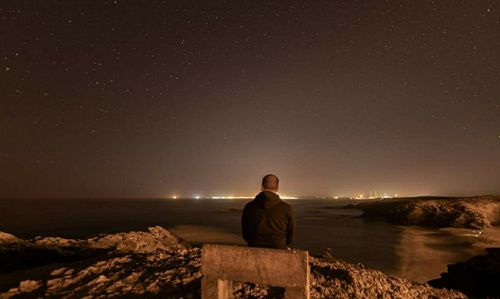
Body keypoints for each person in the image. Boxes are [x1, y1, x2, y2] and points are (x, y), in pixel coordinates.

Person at [241, 174, 296, 249]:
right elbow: (291, 234)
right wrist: (282, 243)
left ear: (262, 187)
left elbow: (245, 233)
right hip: (279, 247)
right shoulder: (287, 208)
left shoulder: (249, 207)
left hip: (254, 246)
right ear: (277, 188)